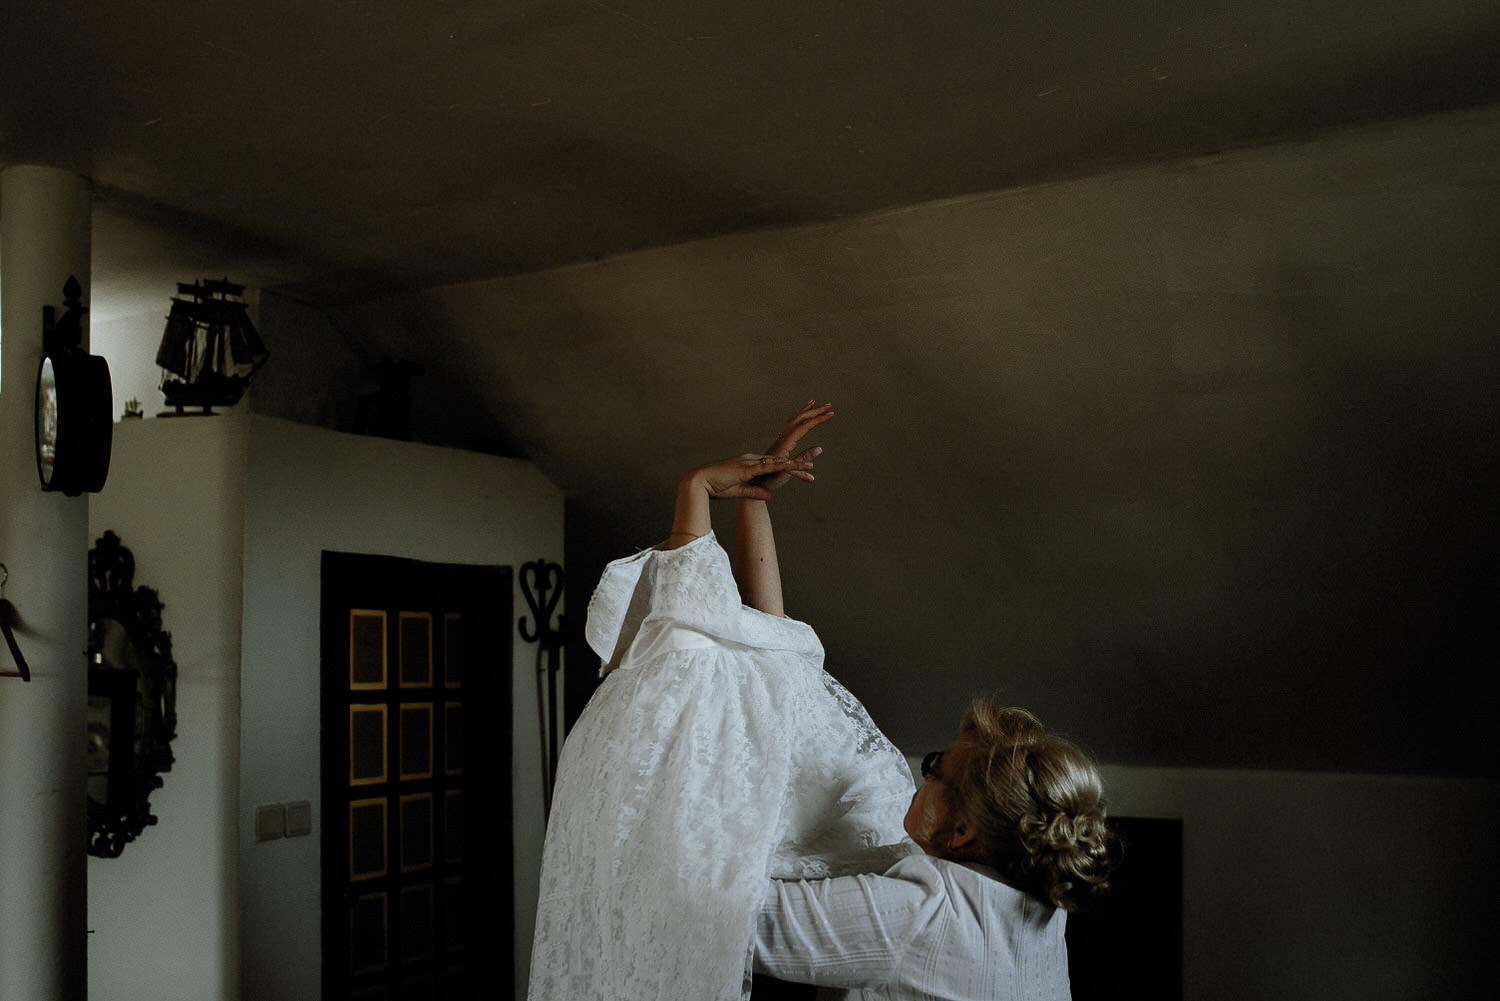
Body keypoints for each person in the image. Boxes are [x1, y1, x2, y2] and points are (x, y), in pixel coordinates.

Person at [529, 403, 918, 1001]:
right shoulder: (678, 670)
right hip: (759, 899)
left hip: (788, 888)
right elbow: (702, 592)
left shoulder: (722, 661)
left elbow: (752, 611)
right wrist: (707, 489)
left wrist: (730, 494)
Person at [752, 700, 1115, 1000]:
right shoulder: (1048, 911)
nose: (923, 775)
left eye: (935, 767)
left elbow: (730, 914)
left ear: (961, 831)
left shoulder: (923, 910)